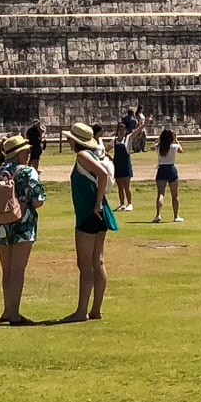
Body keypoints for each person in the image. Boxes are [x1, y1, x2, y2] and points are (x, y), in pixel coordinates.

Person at [0, 136, 46, 325]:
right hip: (23, 226)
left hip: (0, 226)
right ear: (18, 154)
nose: (28, 154)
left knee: (7, 270)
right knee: (18, 269)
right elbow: (38, 200)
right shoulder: (28, 172)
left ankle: (7, 310)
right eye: (25, 151)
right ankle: (15, 314)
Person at [63, 122, 117, 322]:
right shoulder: (94, 155)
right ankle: (95, 309)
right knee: (98, 260)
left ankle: (81, 311)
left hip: (89, 212)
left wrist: (95, 203)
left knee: (85, 264)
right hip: (99, 212)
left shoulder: (83, 156)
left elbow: (102, 175)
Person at [153, 127, 183, 222]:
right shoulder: (173, 147)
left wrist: (159, 140)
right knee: (175, 195)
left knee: (160, 194)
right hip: (171, 169)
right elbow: (181, 150)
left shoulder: (159, 147)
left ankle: (158, 214)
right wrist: (176, 140)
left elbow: (152, 147)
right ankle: (176, 216)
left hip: (161, 169)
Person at [112, 120, 135, 205]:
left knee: (127, 186)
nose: (121, 132)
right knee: (120, 187)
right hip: (118, 165)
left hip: (126, 165)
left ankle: (129, 203)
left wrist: (144, 124)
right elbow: (106, 150)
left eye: (123, 130)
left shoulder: (127, 139)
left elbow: (137, 131)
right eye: (120, 130)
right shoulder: (114, 141)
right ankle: (122, 204)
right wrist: (111, 159)